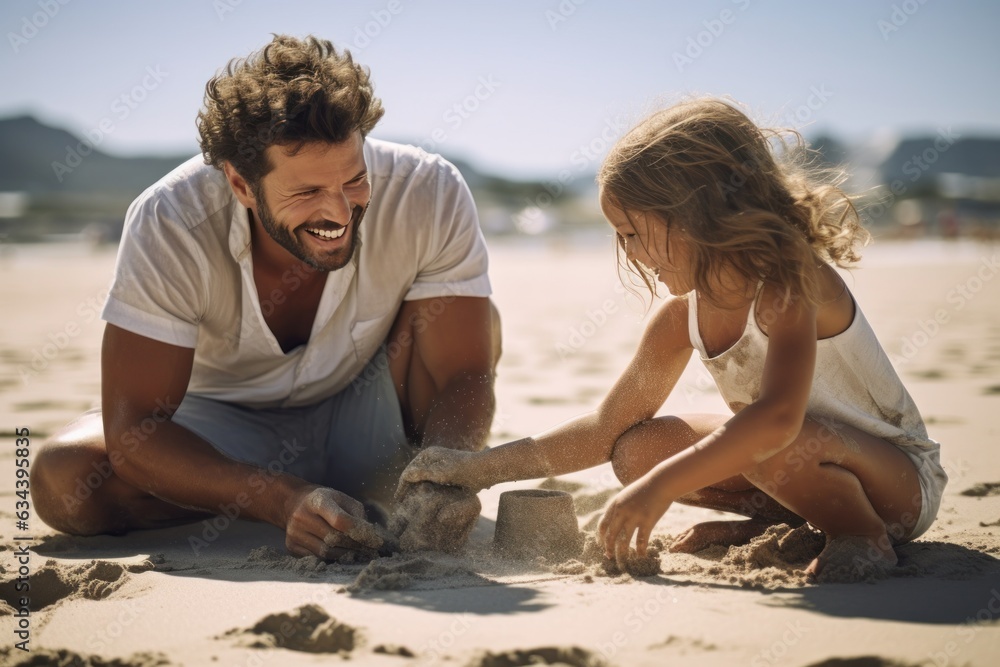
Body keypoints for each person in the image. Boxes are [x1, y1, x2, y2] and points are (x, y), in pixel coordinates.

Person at [398, 98, 948, 580]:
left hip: (898, 484)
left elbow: (778, 418)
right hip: (788, 459)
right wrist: (478, 468)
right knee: (639, 450)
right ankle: (804, 519)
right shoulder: (678, 319)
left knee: (756, 437)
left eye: (635, 233)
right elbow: (604, 428)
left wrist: (661, 490)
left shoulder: (790, 282)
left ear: (697, 213)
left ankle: (860, 536)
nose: (632, 254)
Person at [30, 35, 500, 560]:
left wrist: (447, 478)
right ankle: (282, 496)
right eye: (306, 192)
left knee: (480, 318)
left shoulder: (430, 191)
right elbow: (135, 431)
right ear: (241, 185)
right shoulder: (170, 220)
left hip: (371, 416)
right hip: (227, 428)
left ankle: (397, 483)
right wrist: (279, 500)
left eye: (355, 179)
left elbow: (463, 373)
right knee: (64, 480)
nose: (341, 213)